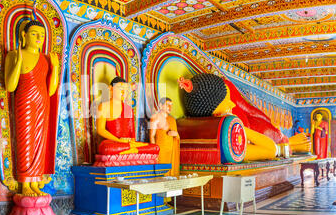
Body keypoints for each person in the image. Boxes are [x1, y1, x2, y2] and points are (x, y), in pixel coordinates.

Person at [180, 73, 309, 162]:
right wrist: (236, 125)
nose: (231, 104)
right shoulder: (226, 134)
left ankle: (286, 141)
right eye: (227, 103)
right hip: (254, 141)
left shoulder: (224, 91)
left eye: (230, 99)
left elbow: (251, 110)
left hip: (262, 133)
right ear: (214, 115)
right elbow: (270, 149)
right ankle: (288, 142)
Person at [4, 20, 59, 197]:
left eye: (42, 35)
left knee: (39, 143)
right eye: (34, 33)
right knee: (26, 140)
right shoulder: (14, 54)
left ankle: (35, 182)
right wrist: (19, 62)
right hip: (24, 101)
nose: (39, 38)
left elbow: (51, 90)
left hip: (43, 102)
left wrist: (56, 67)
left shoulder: (45, 59)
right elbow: (11, 87)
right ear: (24, 35)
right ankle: (25, 183)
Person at [96, 76, 159, 156]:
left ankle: (130, 152)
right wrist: (119, 141)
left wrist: (131, 143)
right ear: (110, 88)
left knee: (155, 148)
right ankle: (130, 152)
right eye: (120, 88)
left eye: (126, 90)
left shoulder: (128, 109)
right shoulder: (104, 106)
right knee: (106, 148)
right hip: (113, 143)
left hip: (127, 144)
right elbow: (100, 130)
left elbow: (131, 133)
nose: (123, 92)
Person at [149, 97, 180, 176]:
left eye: (171, 105)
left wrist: (175, 134)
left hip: (170, 150)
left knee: (170, 172)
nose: (170, 107)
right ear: (160, 105)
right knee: (160, 172)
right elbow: (152, 136)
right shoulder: (155, 117)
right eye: (167, 105)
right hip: (160, 150)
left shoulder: (172, 120)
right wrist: (154, 152)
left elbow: (177, 136)